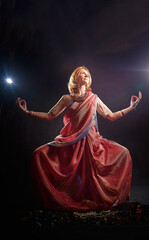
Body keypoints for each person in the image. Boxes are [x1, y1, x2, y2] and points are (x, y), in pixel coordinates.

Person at [16, 66, 142, 211]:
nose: (85, 76)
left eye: (87, 74)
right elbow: (49, 115)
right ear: (75, 79)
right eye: (81, 74)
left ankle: (100, 199)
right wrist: (27, 112)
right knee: (38, 154)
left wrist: (131, 107)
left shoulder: (94, 98)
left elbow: (111, 116)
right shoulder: (67, 98)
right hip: (70, 143)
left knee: (124, 152)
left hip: (92, 143)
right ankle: (56, 198)